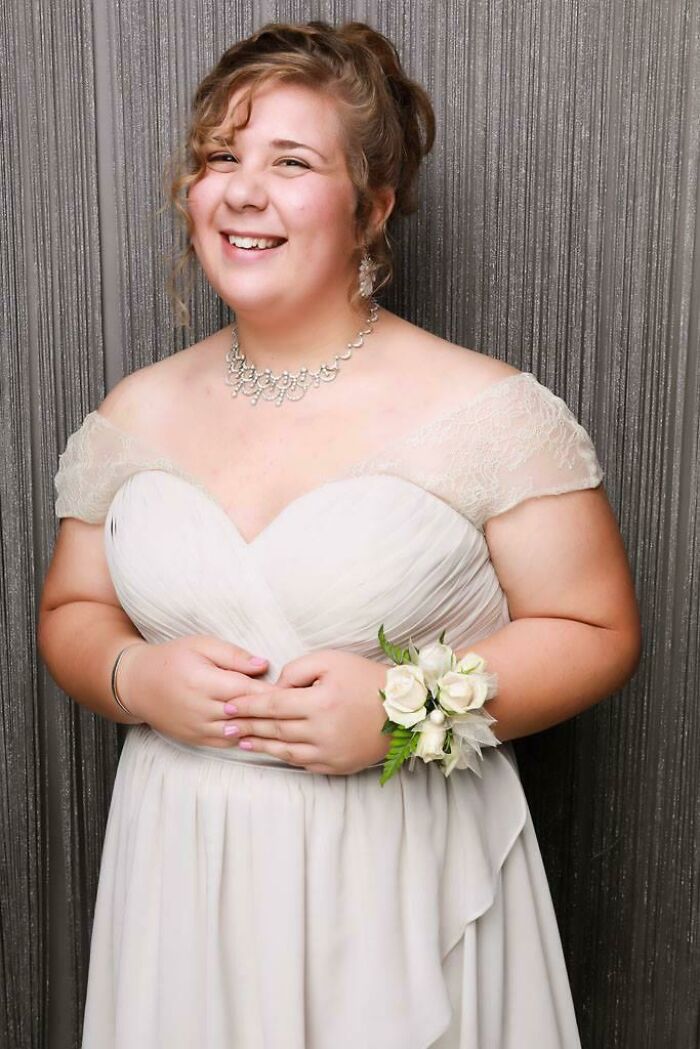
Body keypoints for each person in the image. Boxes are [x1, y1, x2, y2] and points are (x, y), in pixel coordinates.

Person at [38, 19, 642, 1049]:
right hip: (183, 873)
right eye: (221, 157)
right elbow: (72, 608)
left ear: (372, 206)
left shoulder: (485, 410)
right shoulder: (131, 413)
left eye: (290, 161)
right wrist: (135, 677)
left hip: (393, 871)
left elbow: (593, 628)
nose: (240, 189)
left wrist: (404, 715)